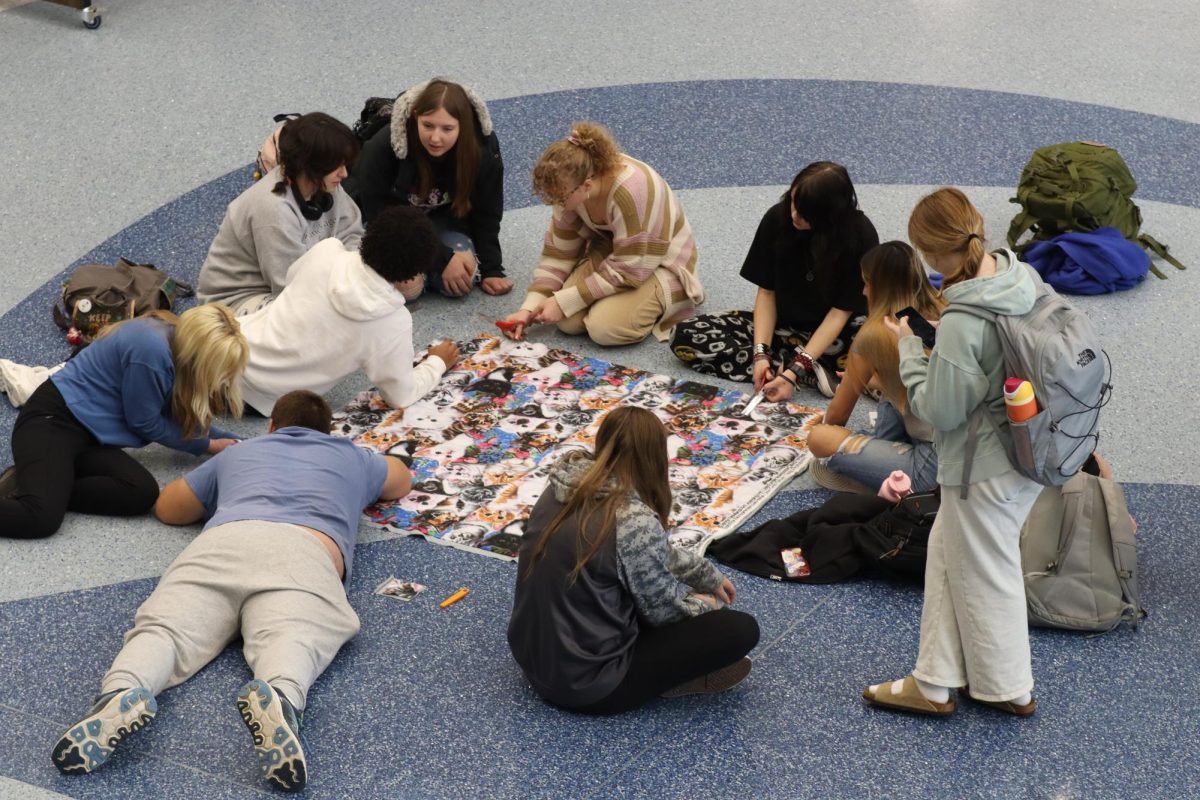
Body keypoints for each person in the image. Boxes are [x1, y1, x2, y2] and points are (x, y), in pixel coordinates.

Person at [50, 390, 412, 792]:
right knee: (296, 634)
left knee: (165, 630)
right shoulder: (352, 456)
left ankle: (121, 691)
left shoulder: (239, 452)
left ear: (272, 425)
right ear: (329, 430)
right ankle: (280, 696)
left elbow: (169, 509)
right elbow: (400, 480)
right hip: (304, 552)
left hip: (224, 542)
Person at [862, 187, 1043, 718]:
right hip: (1029, 445)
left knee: (989, 570)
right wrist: (950, 345)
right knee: (946, 553)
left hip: (982, 465)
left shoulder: (965, 319)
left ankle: (1011, 687)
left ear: (931, 254)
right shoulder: (1017, 277)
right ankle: (935, 680)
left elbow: (939, 410)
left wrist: (912, 349)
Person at [507, 407, 760, 714]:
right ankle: (672, 682)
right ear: (655, 457)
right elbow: (665, 614)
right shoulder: (633, 520)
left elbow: (647, 553)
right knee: (740, 630)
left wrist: (703, 573)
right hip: (589, 686)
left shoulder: (561, 486)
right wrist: (704, 606)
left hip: (533, 660)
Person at [0, 305, 248, 540]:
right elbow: (144, 422)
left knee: (140, 492)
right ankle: (43, 487)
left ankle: (42, 483)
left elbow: (179, 418)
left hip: (92, 435)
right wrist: (207, 445)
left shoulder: (175, 338)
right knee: (40, 518)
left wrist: (223, 440)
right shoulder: (151, 350)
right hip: (54, 421)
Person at [671, 161, 879, 398]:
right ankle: (793, 366)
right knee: (684, 335)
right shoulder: (777, 219)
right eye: (792, 201)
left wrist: (797, 369)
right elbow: (767, 293)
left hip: (838, 335)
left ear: (828, 215)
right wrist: (760, 354)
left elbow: (840, 313)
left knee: (884, 359)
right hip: (783, 329)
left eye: (804, 212)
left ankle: (796, 367)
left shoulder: (860, 236)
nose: (794, 214)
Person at [236, 205, 460, 416]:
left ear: (370, 233)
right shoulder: (392, 321)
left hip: (224, 343)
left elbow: (290, 279)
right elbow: (401, 395)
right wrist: (437, 362)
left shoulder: (327, 250)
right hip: (259, 397)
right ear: (415, 273)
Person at [500, 122, 704, 346]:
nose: (558, 205)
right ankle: (610, 300)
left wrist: (564, 301)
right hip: (613, 254)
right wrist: (528, 309)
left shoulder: (633, 192)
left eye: (560, 199)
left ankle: (668, 298)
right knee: (567, 322)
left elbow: (631, 267)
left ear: (586, 186)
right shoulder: (568, 187)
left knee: (603, 328)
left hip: (658, 263)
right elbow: (558, 254)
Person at [345, 77, 511, 297]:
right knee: (408, 289)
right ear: (415, 118)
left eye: (447, 129)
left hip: (440, 221)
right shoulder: (383, 146)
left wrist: (492, 269)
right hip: (389, 227)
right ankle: (419, 274)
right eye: (428, 125)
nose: (436, 138)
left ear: (464, 125)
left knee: (462, 280)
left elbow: (487, 211)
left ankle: (426, 272)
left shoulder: (482, 150)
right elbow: (379, 215)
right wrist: (440, 259)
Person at [806, 242, 945, 494]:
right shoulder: (941, 308)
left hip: (932, 469)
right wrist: (876, 380)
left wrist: (854, 381)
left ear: (881, 288)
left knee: (818, 438)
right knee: (891, 391)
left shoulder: (875, 334)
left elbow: (836, 417)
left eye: (868, 283)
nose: (864, 291)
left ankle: (882, 480)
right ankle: (880, 462)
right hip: (964, 450)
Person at [198, 112, 365, 314]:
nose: (344, 174)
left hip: (299, 283)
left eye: (345, 164)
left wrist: (355, 274)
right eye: (336, 166)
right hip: (236, 303)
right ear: (309, 166)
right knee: (318, 320)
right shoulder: (273, 209)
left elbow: (352, 234)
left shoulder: (325, 183)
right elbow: (292, 290)